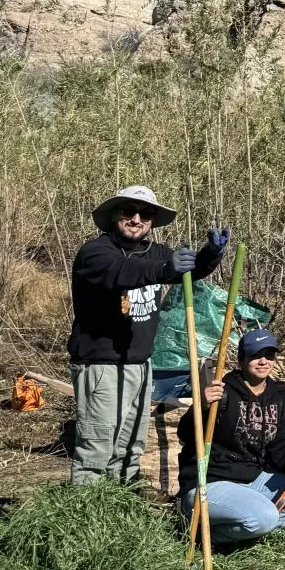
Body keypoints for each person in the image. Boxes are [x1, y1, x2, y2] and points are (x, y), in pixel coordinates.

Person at [68, 184, 227, 485]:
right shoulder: (96, 252)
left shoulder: (155, 252)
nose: (136, 219)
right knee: (97, 448)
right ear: (114, 215)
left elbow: (187, 270)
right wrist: (165, 268)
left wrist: (210, 255)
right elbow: (122, 272)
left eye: (145, 214)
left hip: (140, 365)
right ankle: (85, 508)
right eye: (129, 211)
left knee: (130, 448)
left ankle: (121, 503)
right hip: (102, 366)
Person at [177, 329, 285, 543]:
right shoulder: (221, 394)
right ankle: (201, 535)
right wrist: (202, 406)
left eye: (269, 355)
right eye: (256, 356)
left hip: (252, 480)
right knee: (264, 517)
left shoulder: (279, 400)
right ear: (241, 359)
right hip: (211, 482)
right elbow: (185, 434)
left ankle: (273, 536)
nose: (263, 361)